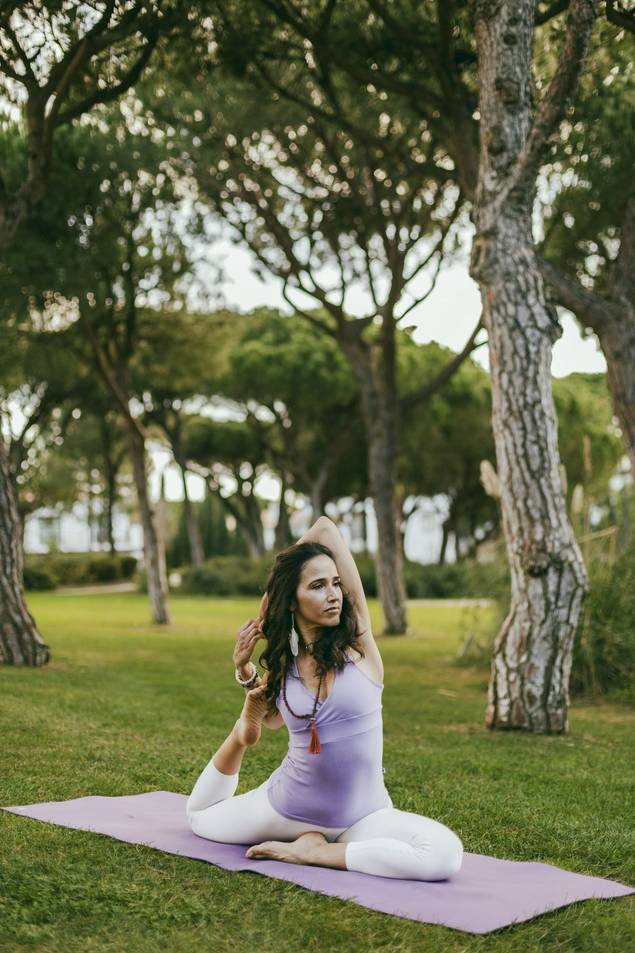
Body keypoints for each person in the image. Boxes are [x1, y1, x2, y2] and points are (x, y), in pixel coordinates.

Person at [185, 516, 464, 881]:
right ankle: (239, 735)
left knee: (444, 855)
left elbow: (325, 528)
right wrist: (245, 671)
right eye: (317, 586)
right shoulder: (286, 663)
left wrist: (270, 592)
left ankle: (315, 851)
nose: (333, 594)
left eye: (335, 583)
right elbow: (271, 719)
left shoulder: (360, 646)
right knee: (199, 817)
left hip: (362, 817)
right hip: (287, 809)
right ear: (292, 600)